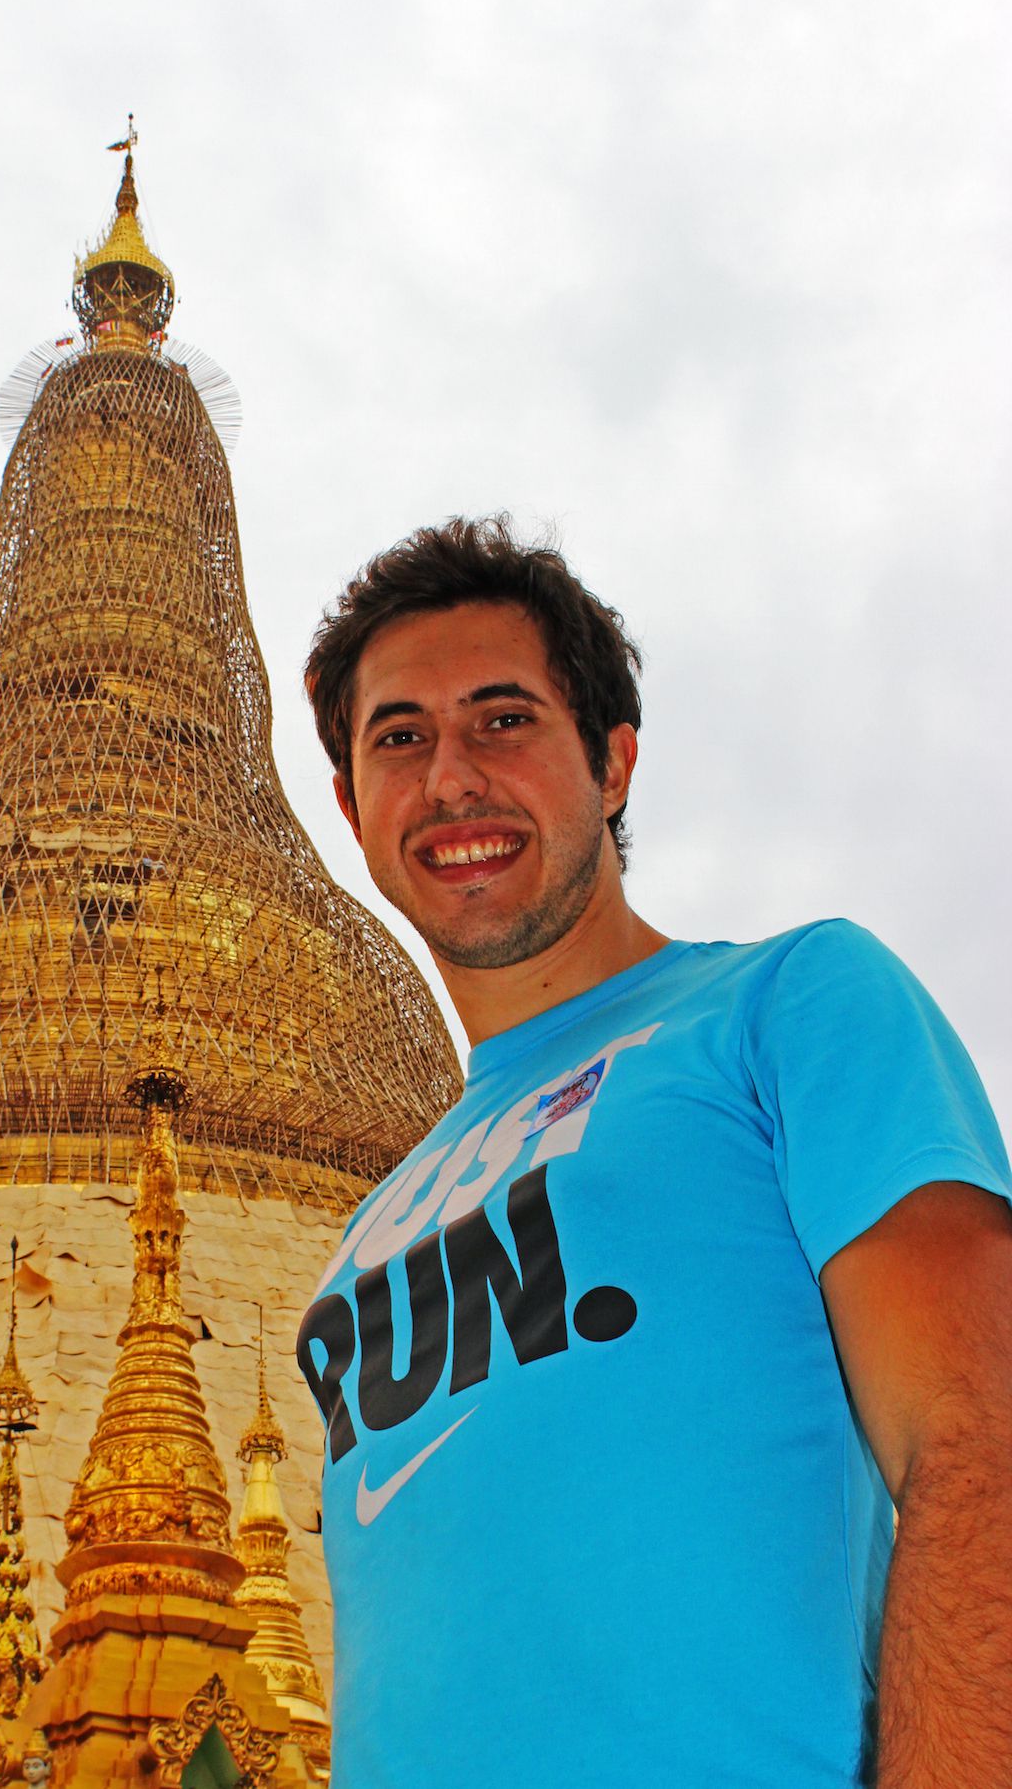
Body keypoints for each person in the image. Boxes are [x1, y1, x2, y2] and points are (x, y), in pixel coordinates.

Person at [295, 516, 1012, 1789]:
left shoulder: (786, 1004)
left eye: (503, 720)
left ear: (613, 762)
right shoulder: (369, 1234)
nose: (451, 778)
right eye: (400, 738)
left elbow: (981, 1437)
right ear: (354, 808)